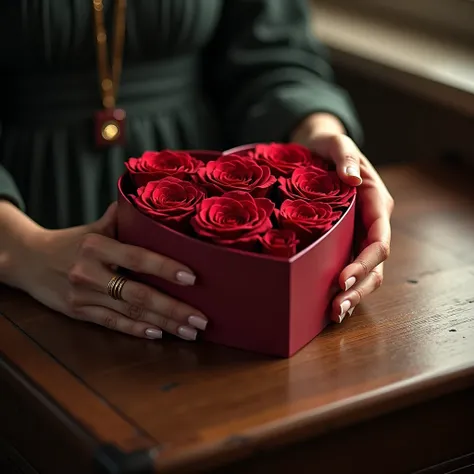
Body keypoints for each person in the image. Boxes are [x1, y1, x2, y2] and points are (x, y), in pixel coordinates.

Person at [0, 0, 393, 341]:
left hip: (208, 232)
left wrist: (317, 133)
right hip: (23, 221)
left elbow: (272, 54)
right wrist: (18, 248)